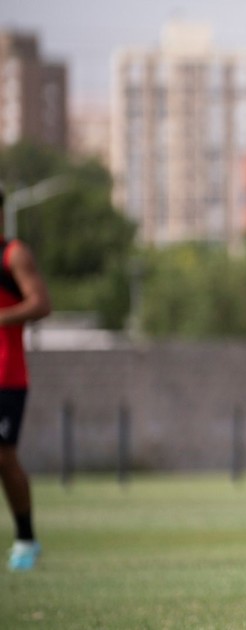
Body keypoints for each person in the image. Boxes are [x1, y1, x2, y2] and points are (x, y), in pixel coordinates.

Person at [0, 187, 52, 571]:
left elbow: (41, 303)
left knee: (3, 457)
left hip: (6, 374)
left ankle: (26, 539)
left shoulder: (13, 254)